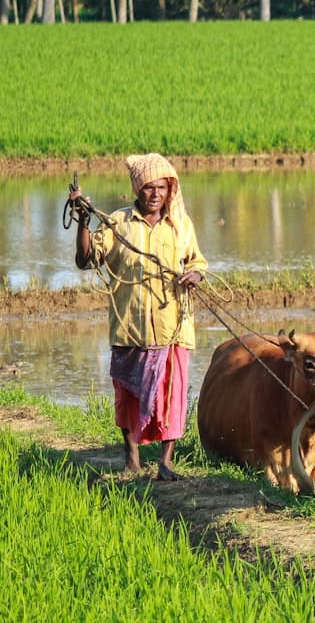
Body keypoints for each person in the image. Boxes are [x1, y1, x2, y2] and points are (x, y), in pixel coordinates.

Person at [71, 154, 207, 481]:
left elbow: (199, 262)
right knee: (128, 395)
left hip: (172, 327)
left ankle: (166, 462)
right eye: (149, 187)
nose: (156, 194)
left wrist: (195, 275)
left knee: (172, 394)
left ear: (169, 190)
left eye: (161, 187)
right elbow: (86, 259)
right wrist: (84, 222)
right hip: (129, 328)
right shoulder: (118, 223)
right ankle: (132, 457)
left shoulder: (180, 225)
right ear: (137, 189)